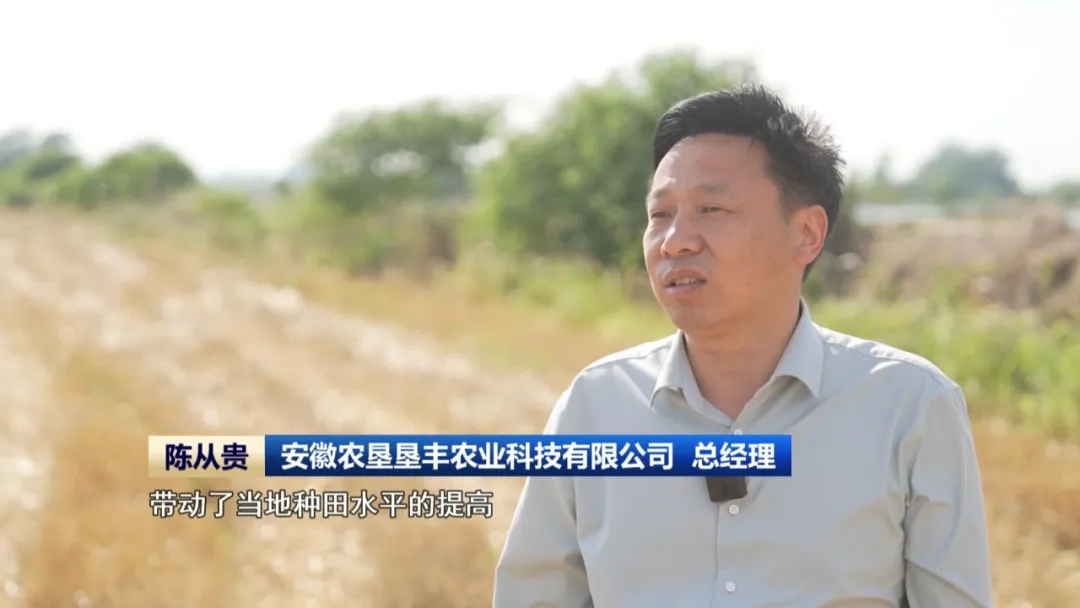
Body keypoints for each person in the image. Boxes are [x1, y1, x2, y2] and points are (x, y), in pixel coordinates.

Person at [493, 85, 993, 607]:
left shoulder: (909, 405)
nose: (676, 240)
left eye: (712, 208)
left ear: (807, 233)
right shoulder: (595, 406)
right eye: (660, 215)